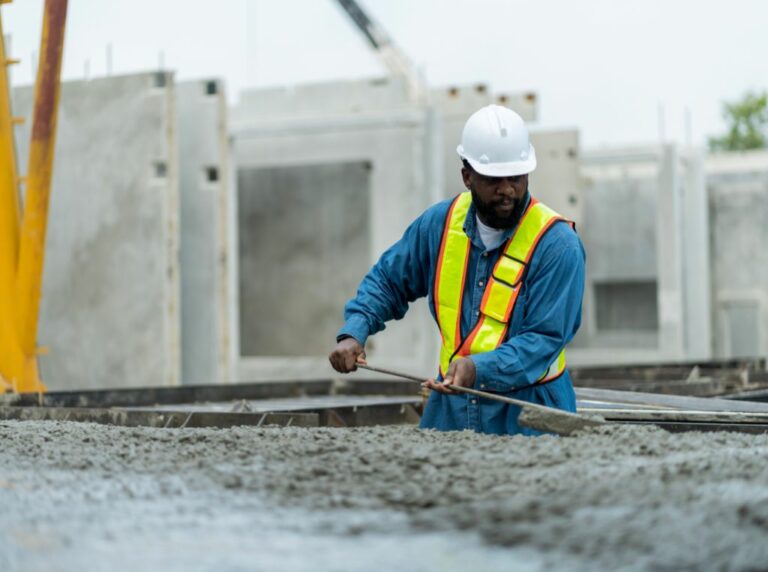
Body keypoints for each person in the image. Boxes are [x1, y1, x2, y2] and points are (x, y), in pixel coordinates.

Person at [328, 104, 585, 435]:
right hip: (451, 407)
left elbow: (544, 338)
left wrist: (478, 369)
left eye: (517, 177)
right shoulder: (439, 225)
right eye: (495, 179)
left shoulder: (558, 245)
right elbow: (389, 281)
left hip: (532, 415)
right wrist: (354, 331)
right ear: (467, 176)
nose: (507, 189)